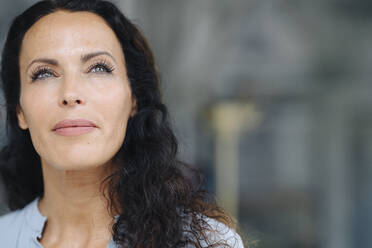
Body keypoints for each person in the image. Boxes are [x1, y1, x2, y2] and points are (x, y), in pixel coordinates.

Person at [0, 0, 245, 247]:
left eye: (98, 68)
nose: (70, 93)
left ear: (133, 99)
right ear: (19, 110)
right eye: (44, 73)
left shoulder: (206, 242)